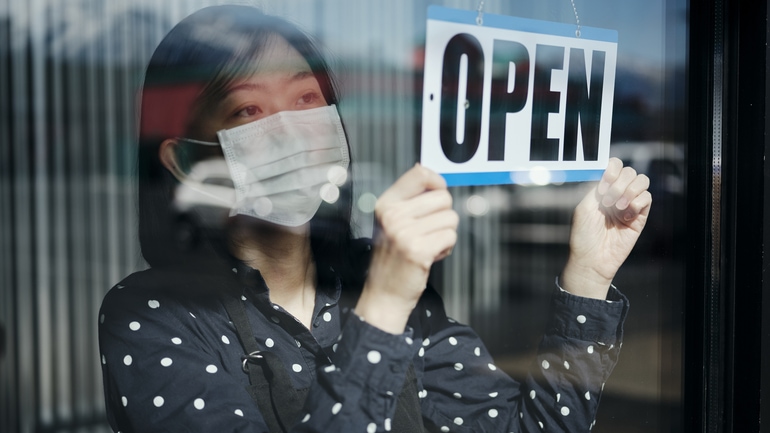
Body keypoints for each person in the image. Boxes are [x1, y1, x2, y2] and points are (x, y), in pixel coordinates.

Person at [98, 5, 652, 433]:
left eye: (307, 99)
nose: (294, 130)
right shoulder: (152, 315)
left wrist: (587, 276)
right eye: (249, 110)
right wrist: (384, 306)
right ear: (185, 158)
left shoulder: (369, 279)